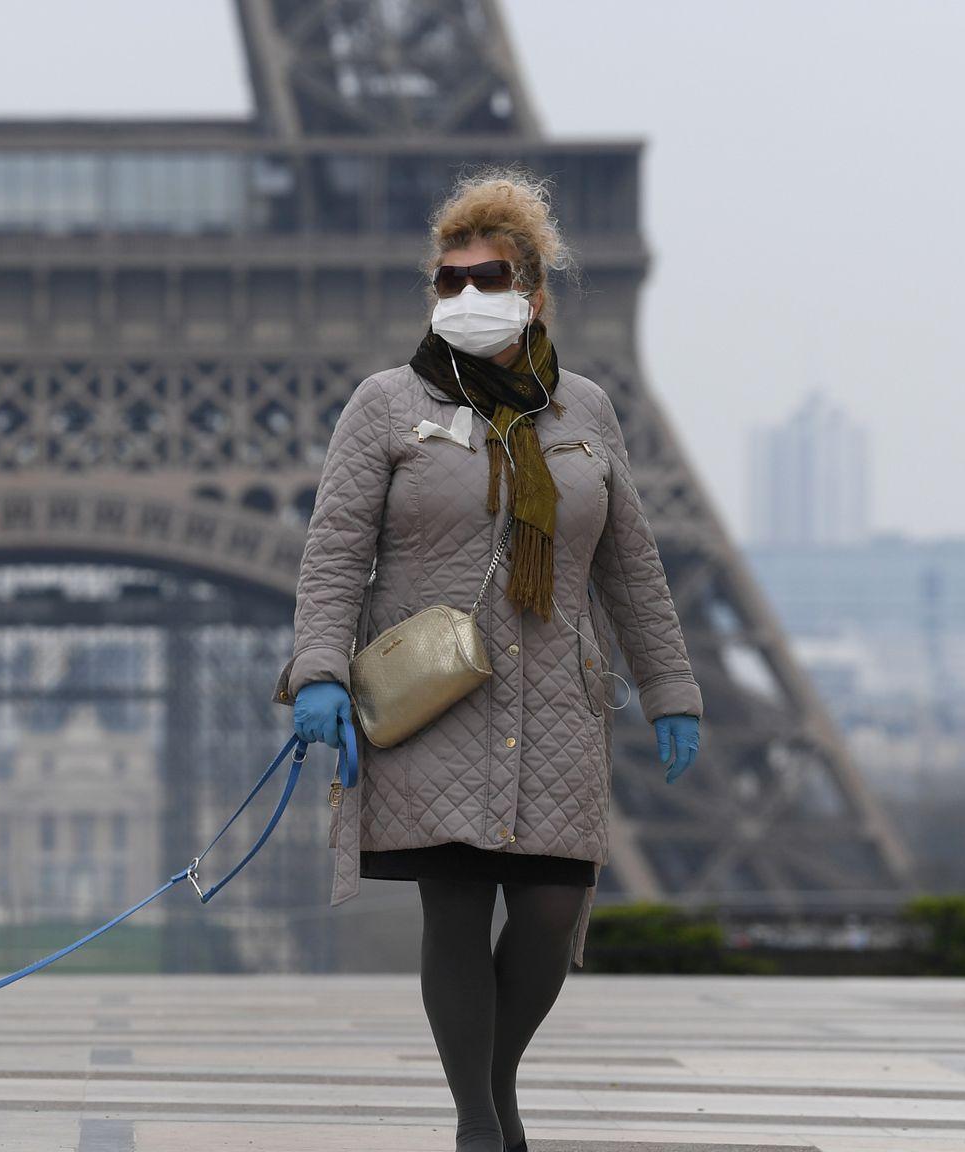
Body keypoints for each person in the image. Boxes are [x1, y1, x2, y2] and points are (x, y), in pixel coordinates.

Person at [284, 173, 703, 1152]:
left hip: (555, 694)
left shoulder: (586, 411)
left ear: (533, 292)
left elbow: (630, 565)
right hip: (436, 700)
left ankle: (493, 1087)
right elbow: (335, 547)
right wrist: (316, 674)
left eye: (489, 278)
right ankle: (479, 1124)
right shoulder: (384, 405)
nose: (467, 297)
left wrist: (671, 687)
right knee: (458, 907)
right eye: (448, 280)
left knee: (553, 909)